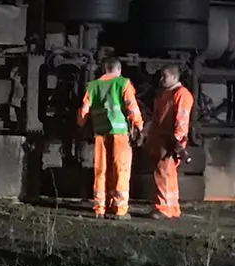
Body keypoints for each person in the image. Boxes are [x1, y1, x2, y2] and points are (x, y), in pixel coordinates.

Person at [77, 56, 142, 219]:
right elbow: (131, 107)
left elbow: (84, 110)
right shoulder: (123, 83)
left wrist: (81, 124)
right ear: (119, 69)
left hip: (100, 133)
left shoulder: (93, 85)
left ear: (104, 69)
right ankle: (119, 210)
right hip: (120, 133)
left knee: (101, 170)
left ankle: (100, 208)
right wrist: (139, 125)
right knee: (120, 169)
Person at [147, 65, 196, 220]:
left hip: (169, 141)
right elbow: (156, 119)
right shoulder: (164, 94)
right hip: (162, 140)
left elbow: (182, 119)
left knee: (163, 174)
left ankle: (163, 208)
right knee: (168, 174)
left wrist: (177, 141)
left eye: (165, 76)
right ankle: (173, 208)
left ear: (175, 77)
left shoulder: (181, 94)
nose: (162, 79)